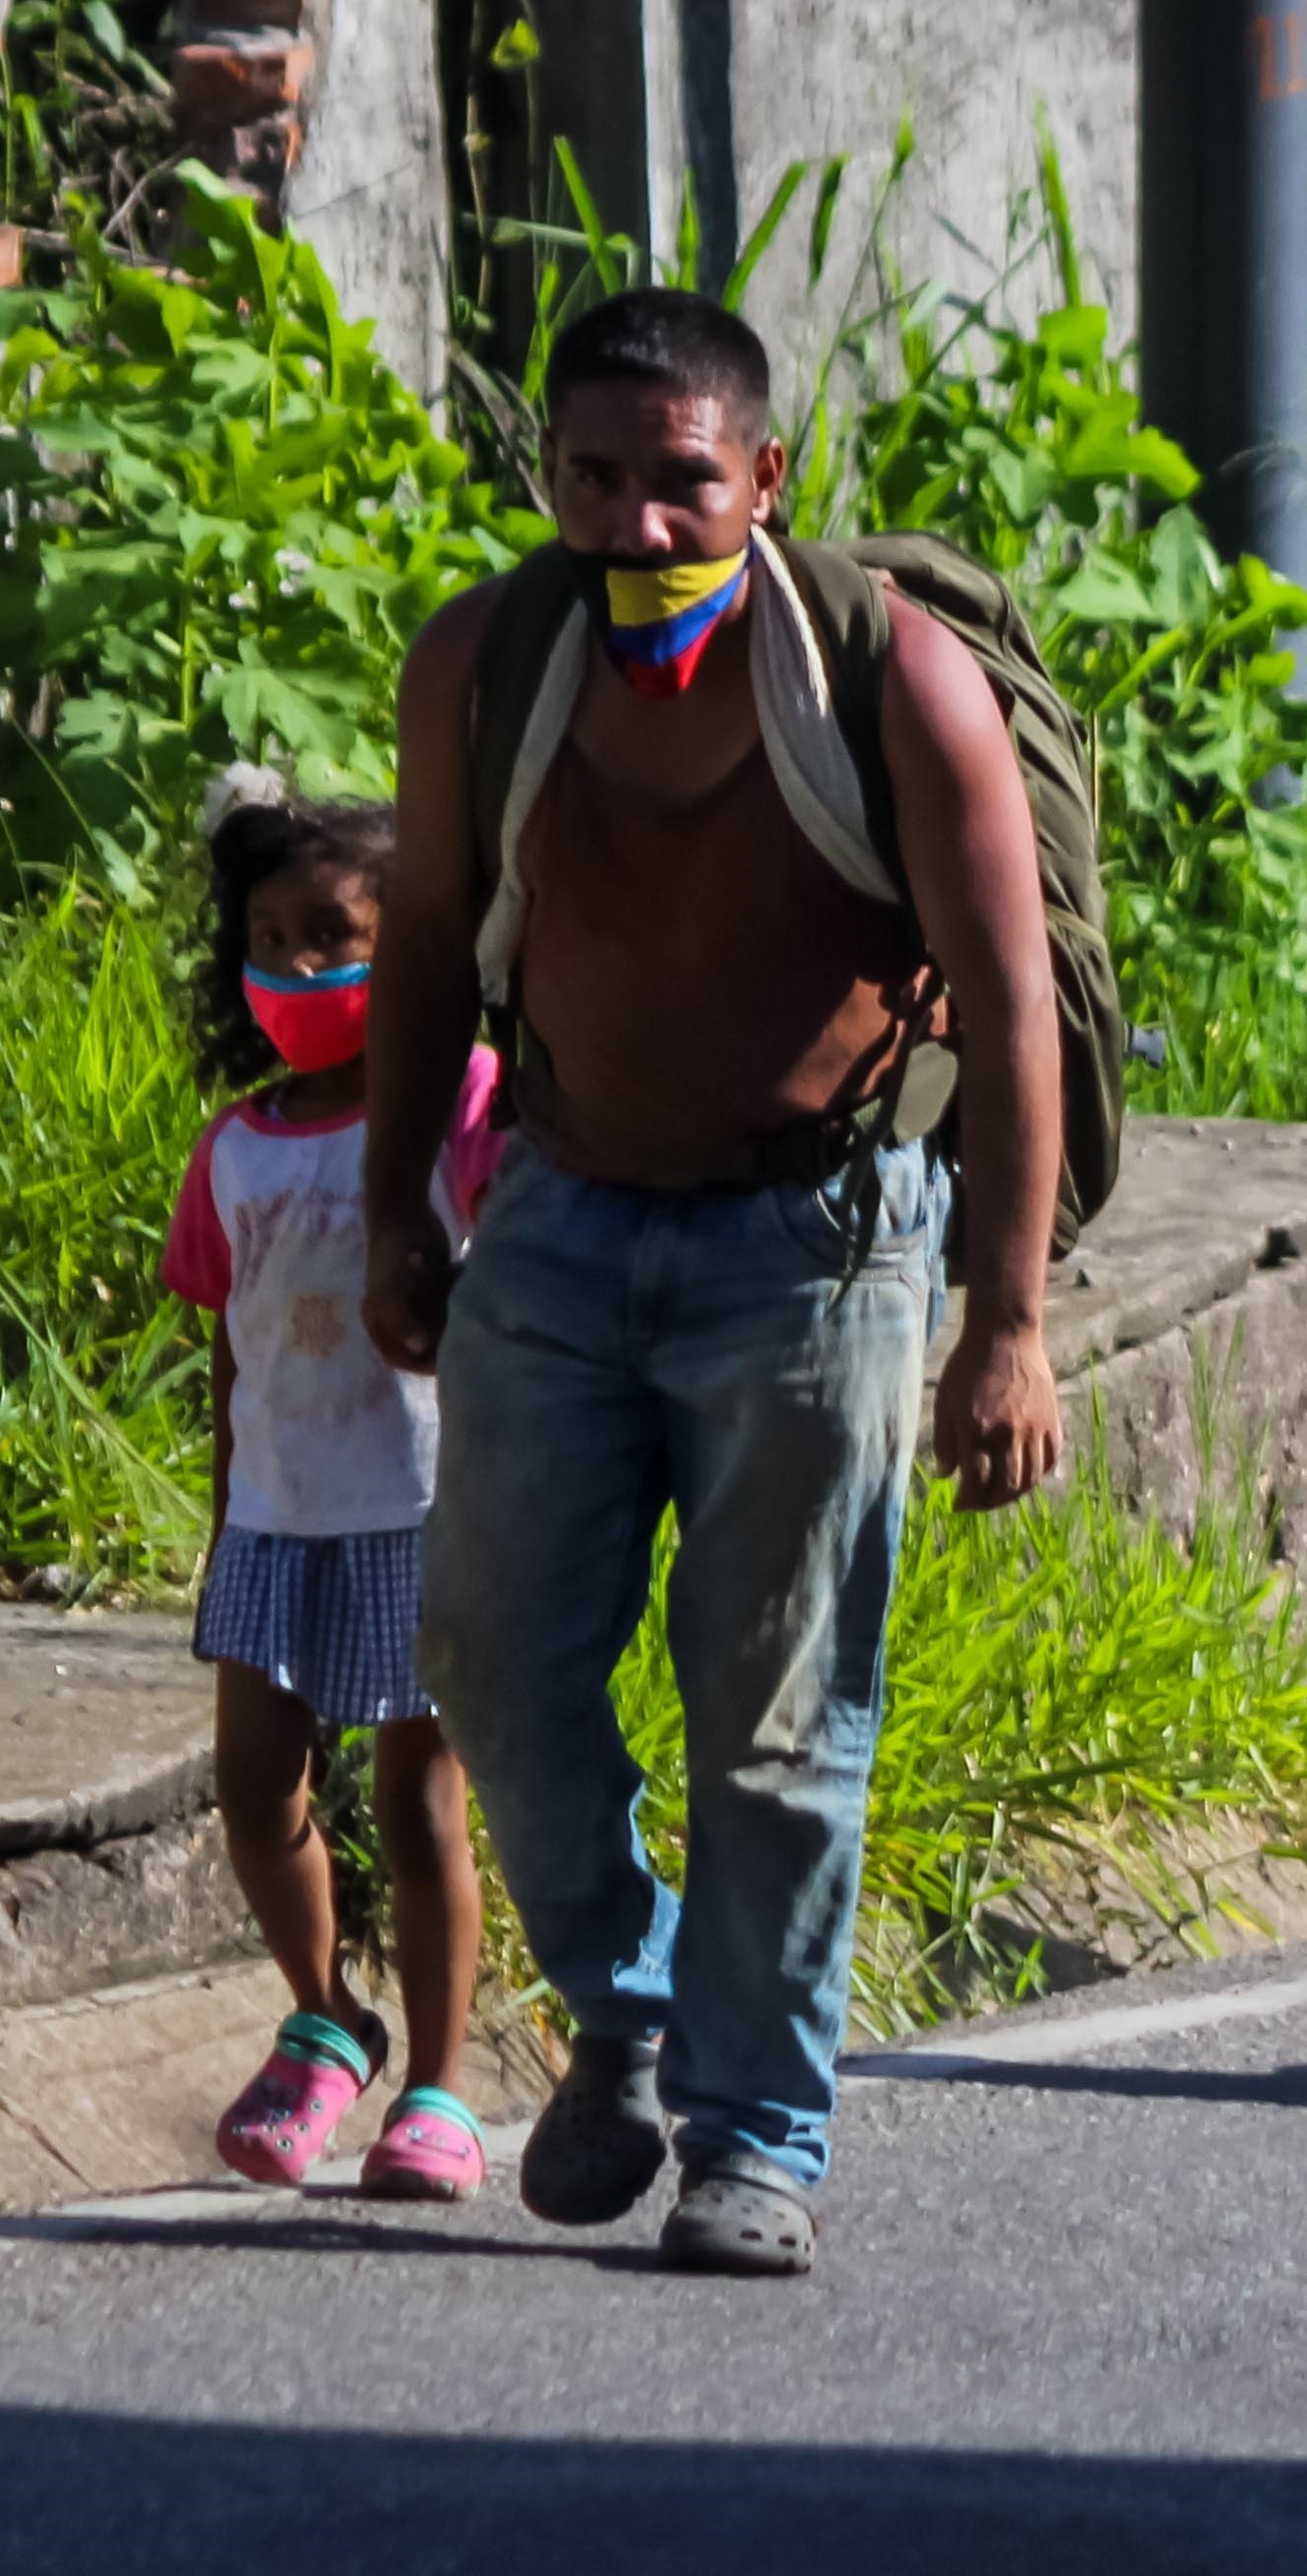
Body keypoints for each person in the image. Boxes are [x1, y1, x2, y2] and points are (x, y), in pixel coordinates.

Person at [362, 287, 1068, 2279]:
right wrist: (397, 1202)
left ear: (767, 477)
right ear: (548, 480)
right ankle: (643, 1991)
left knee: (776, 1717)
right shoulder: (486, 665)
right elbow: (426, 941)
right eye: (594, 477)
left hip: (817, 1240)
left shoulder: (888, 681)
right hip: (561, 1222)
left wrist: (1003, 1321)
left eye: (683, 480)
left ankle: (758, 2136)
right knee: (489, 1651)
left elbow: (1009, 1003)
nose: (637, 522)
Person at [163, 773, 502, 2200]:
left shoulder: (463, 1107)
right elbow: (231, 1363)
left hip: (420, 1514)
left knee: (423, 1808)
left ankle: (435, 2083)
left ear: (414, 944)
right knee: (255, 1791)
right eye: (273, 938)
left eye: (336, 933)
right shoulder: (233, 1151)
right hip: (276, 1525)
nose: (300, 965)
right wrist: (227, 1517)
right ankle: (327, 2014)